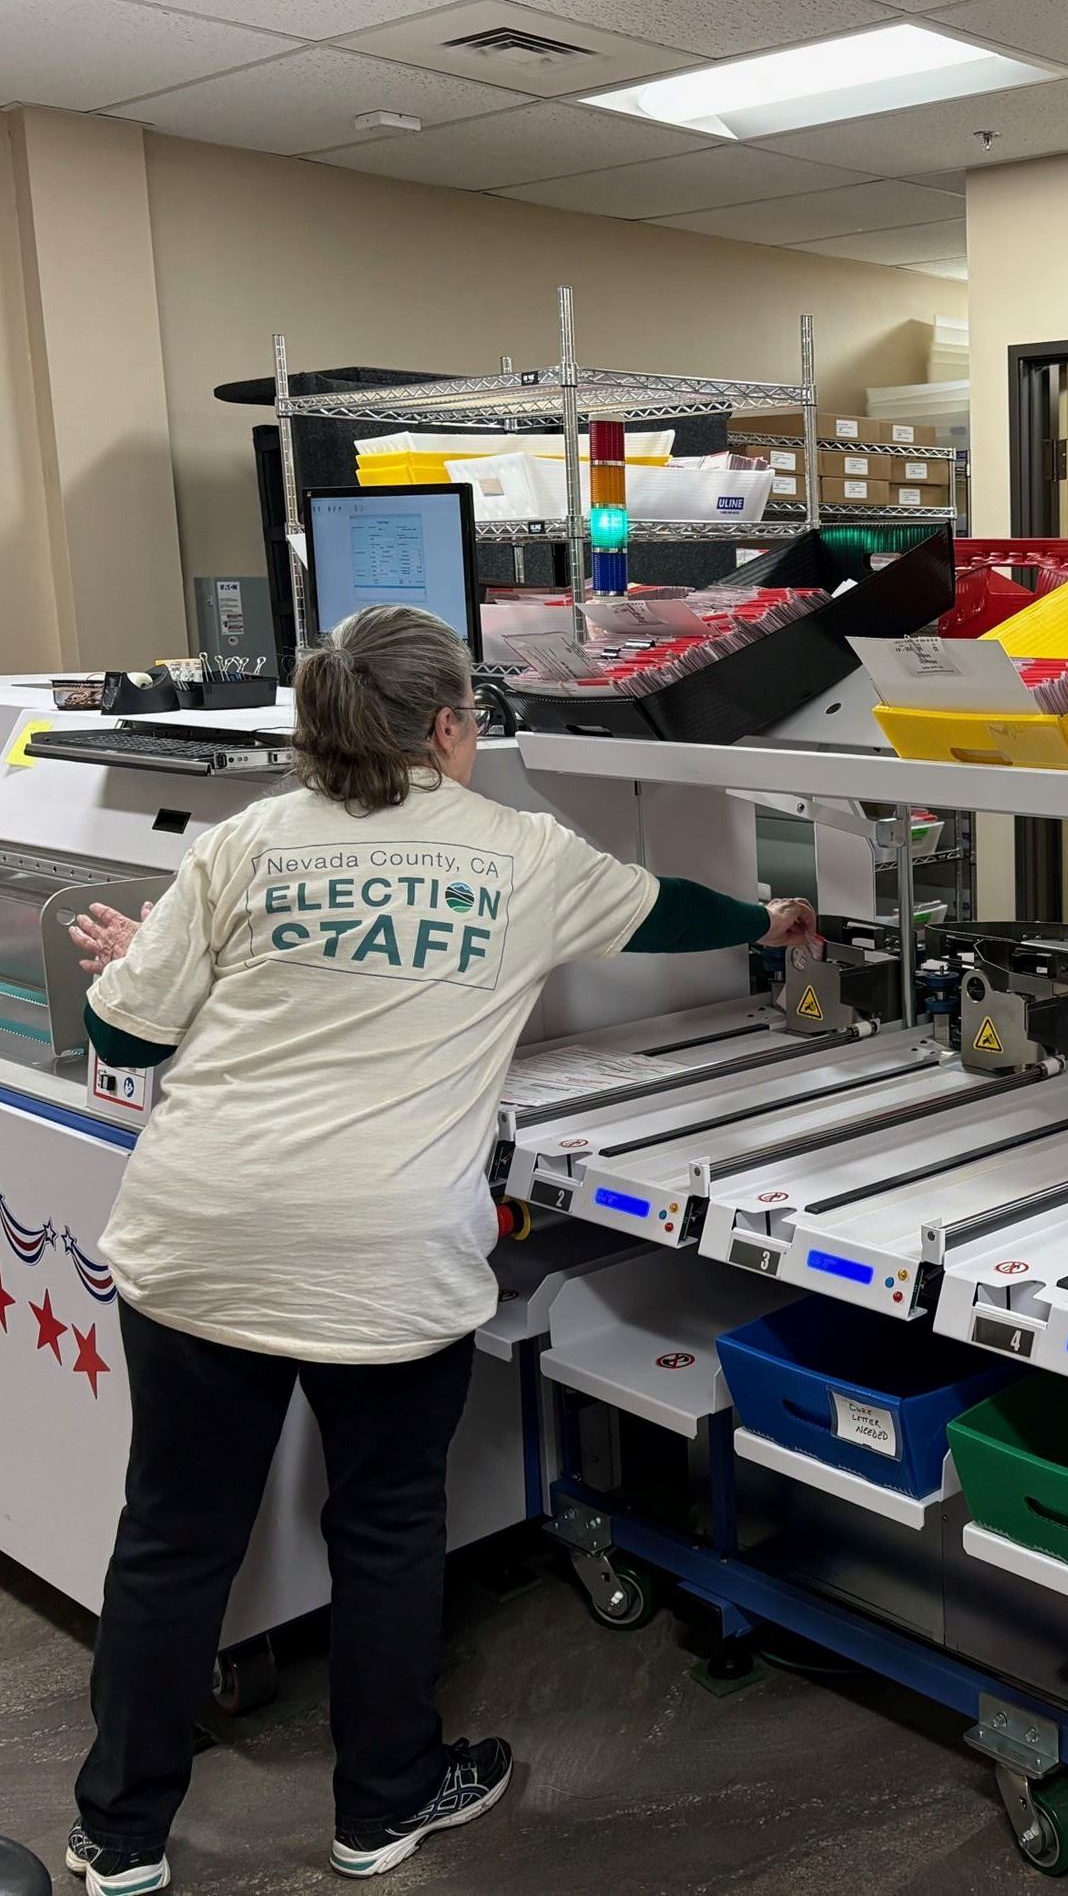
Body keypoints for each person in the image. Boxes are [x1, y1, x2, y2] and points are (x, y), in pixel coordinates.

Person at [62, 605, 817, 1896]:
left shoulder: (245, 843)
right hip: (382, 1253)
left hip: (197, 1240)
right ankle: (383, 1808)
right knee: (385, 1532)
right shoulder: (516, 852)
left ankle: (118, 1837)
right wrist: (776, 917)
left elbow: (127, 1042)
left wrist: (151, 965)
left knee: (173, 1540)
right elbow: (662, 912)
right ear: (454, 727)